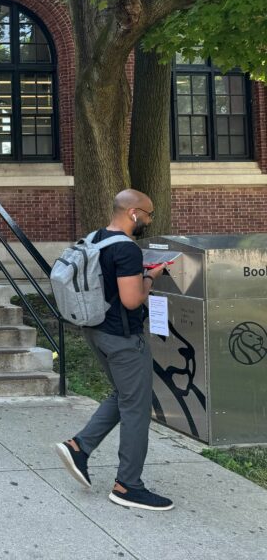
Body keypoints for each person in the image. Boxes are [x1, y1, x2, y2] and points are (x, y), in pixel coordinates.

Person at [55, 189, 174, 510]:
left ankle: (80, 447)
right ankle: (128, 486)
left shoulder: (95, 238)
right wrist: (151, 277)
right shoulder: (127, 249)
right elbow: (132, 299)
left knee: (124, 394)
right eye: (148, 215)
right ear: (133, 213)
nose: (149, 220)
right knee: (137, 407)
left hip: (95, 330)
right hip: (123, 339)